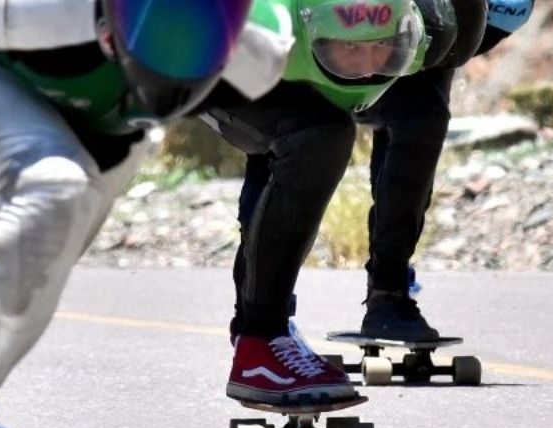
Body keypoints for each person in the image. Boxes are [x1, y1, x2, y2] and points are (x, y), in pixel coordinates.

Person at [0, 0, 293, 428]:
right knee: (53, 188)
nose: (174, 46)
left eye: (199, 32)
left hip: (107, 131)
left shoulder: (259, 49)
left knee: (38, 263)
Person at [203, 0, 488, 407]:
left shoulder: (439, 28)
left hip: (303, 50)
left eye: (384, 46)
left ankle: (381, 296)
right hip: (218, 58)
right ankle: (258, 341)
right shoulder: (249, 29)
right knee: (312, 136)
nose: (370, 65)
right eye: (352, 48)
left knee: (417, 112)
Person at [355, 0, 535, 340]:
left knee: (420, 116)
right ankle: (262, 319)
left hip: (427, 34)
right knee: (295, 137)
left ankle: (388, 292)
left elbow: (473, 35)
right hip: (324, 26)